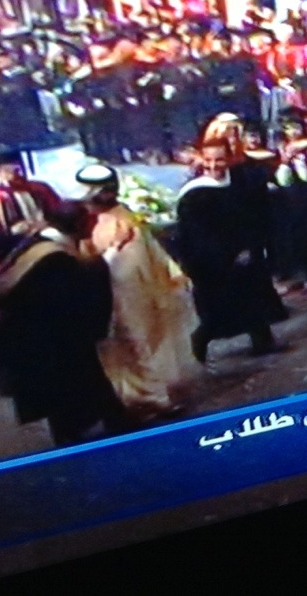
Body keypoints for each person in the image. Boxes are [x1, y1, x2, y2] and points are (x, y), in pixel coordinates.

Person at [0, 201, 129, 446]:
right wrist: (107, 258)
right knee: (68, 388)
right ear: (78, 225)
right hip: (46, 340)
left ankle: (108, 424)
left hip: (41, 335)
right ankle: (82, 434)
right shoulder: (54, 260)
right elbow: (74, 298)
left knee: (80, 385)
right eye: (89, 222)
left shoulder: (39, 244)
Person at [76, 164, 200, 424]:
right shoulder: (113, 219)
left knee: (137, 344)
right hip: (131, 295)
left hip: (129, 297)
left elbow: (130, 262)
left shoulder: (119, 221)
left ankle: (153, 398)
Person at [177, 139, 286, 363]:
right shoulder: (193, 194)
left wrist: (250, 247)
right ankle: (200, 343)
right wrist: (226, 254)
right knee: (218, 310)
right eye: (208, 160)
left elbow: (250, 219)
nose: (213, 165)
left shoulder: (238, 184)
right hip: (212, 262)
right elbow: (196, 234)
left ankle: (262, 341)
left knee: (254, 298)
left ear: (229, 159)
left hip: (244, 254)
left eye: (219, 159)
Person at [0, 149, 62, 264]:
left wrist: (47, 223)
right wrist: (14, 231)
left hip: (49, 242)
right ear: (0, 172)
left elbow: (60, 212)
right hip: (13, 251)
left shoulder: (41, 189)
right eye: (8, 170)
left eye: (18, 169)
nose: (15, 174)